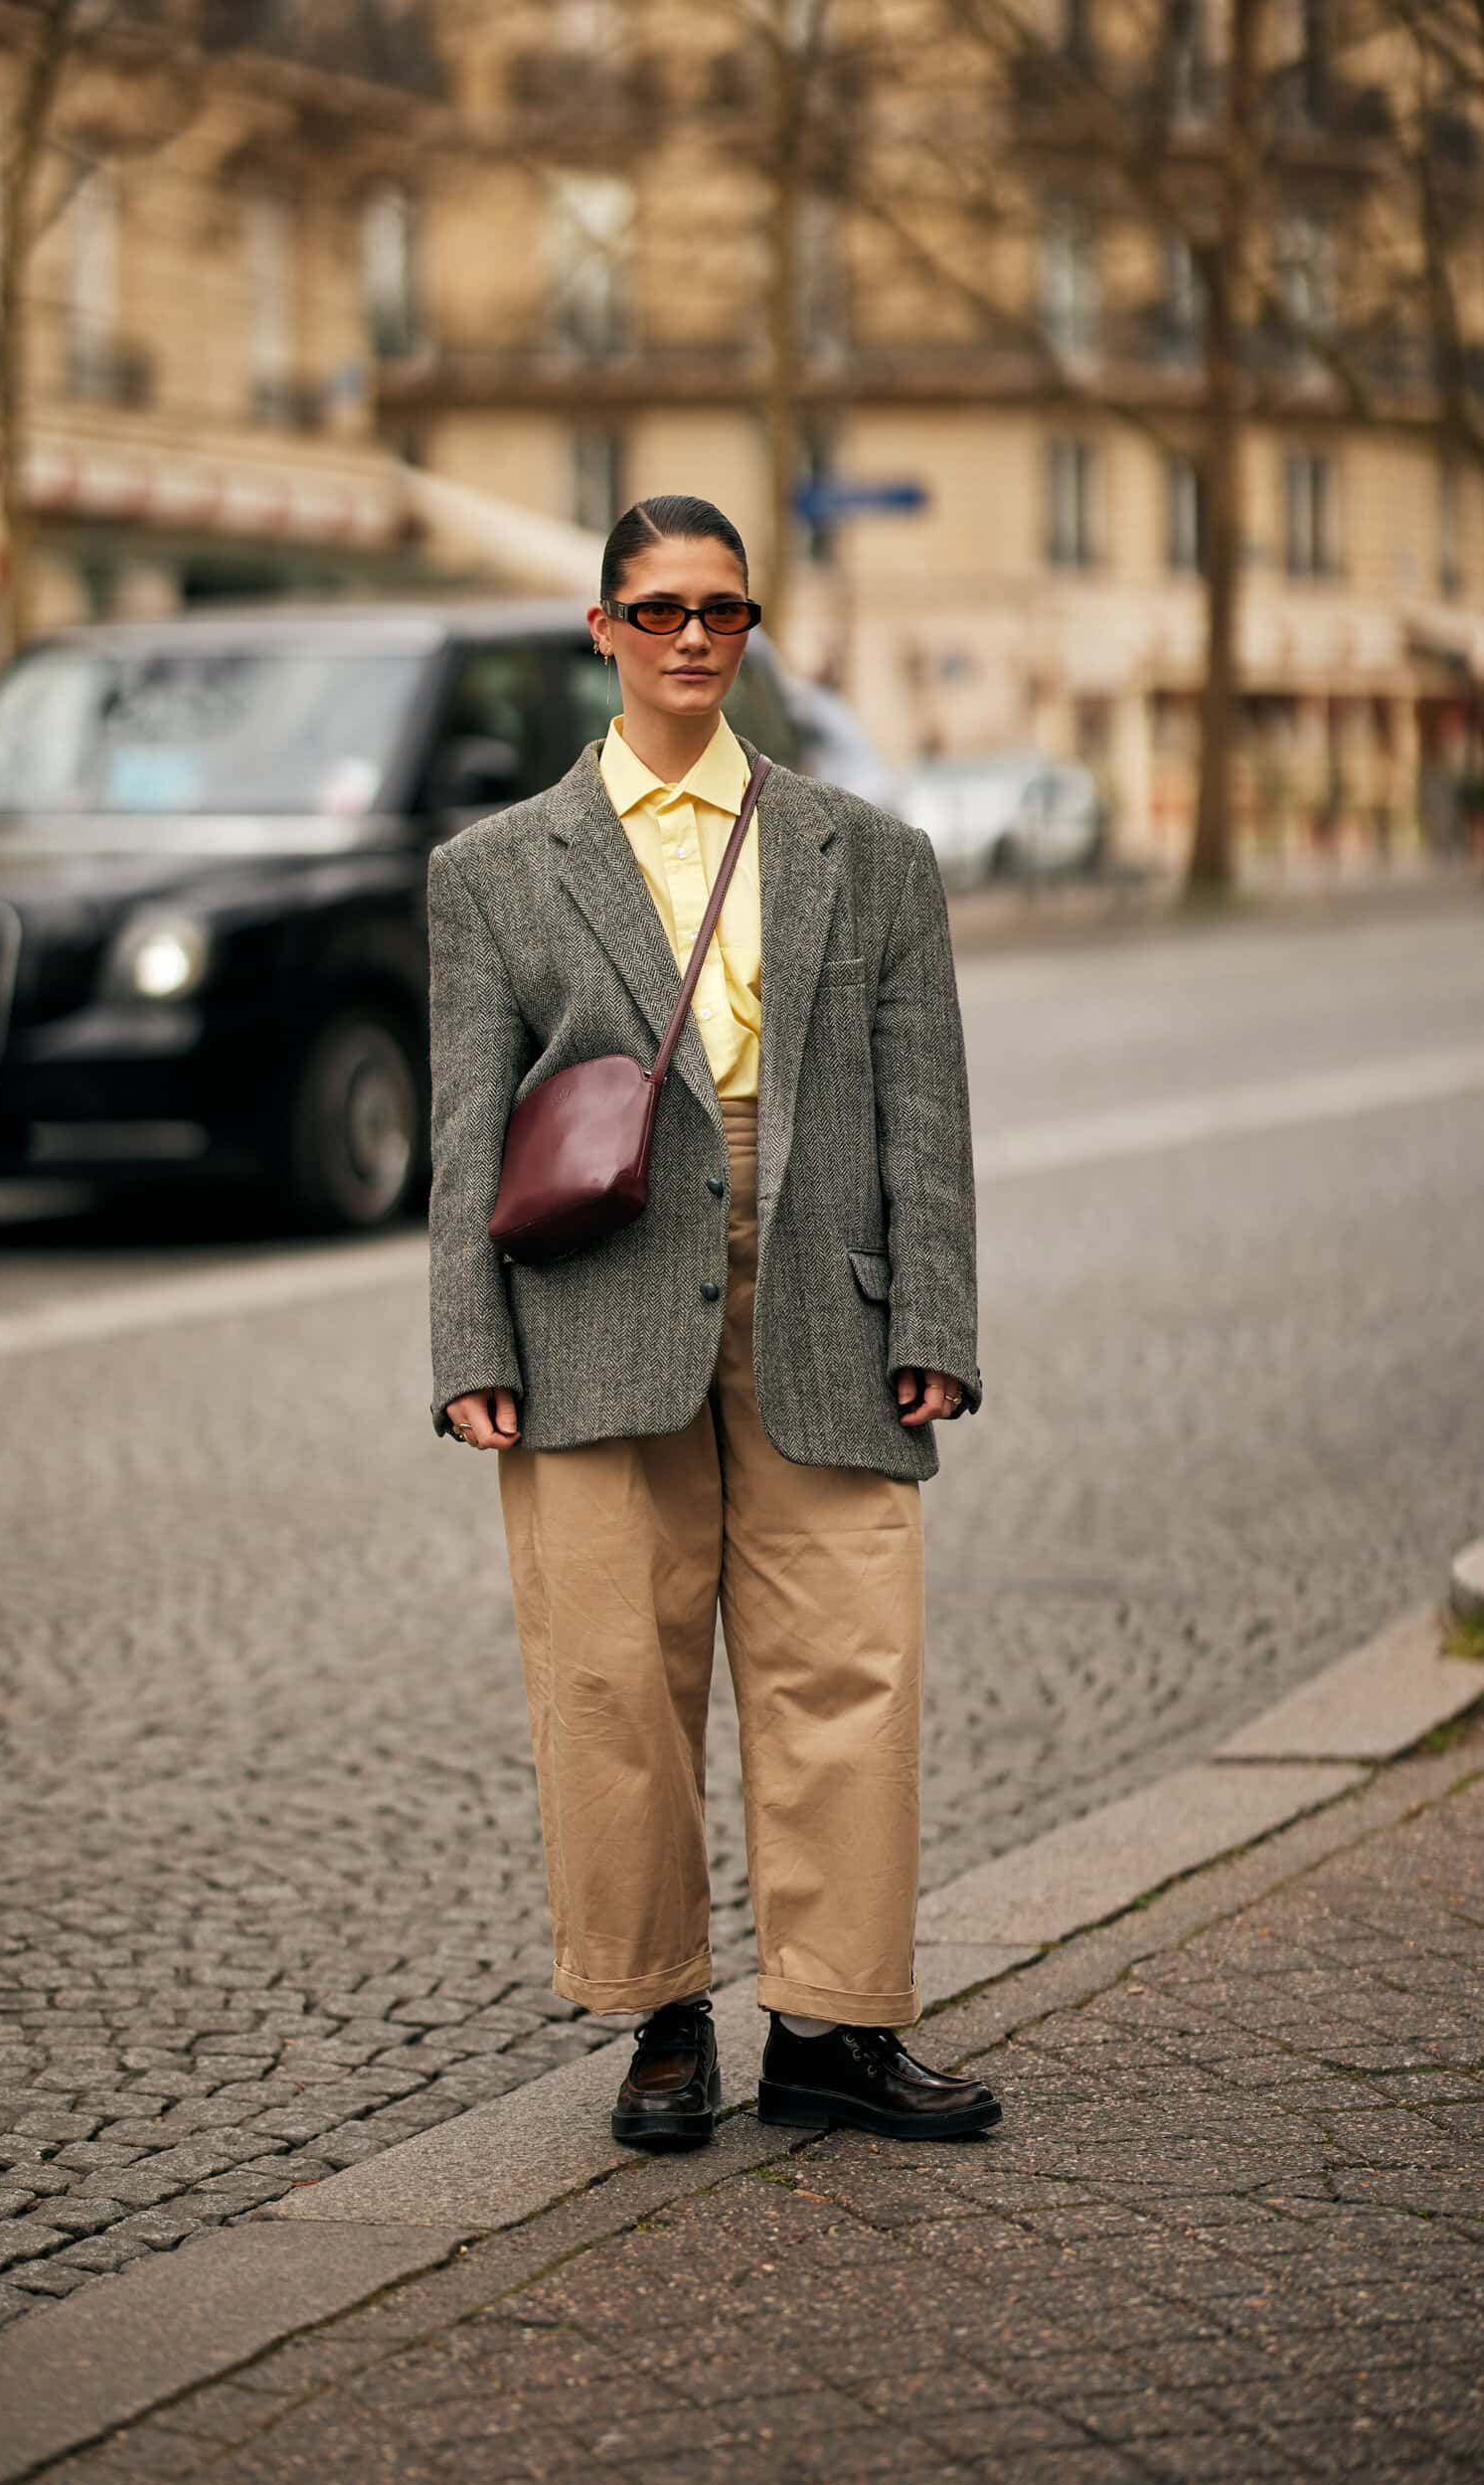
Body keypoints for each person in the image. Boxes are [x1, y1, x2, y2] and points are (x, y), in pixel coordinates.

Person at [426, 493, 999, 2150]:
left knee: (850, 1664)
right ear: (601, 631)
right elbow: (470, 1131)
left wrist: (939, 1310)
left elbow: (925, 1110)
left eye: (724, 613)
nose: (693, 637)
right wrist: (468, 1343)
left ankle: (832, 2027)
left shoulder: (870, 856)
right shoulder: (492, 873)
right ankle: (662, 2018)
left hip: (829, 1280)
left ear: (753, 634)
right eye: (661, 608)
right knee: (612, 1668)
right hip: (592, 1291)